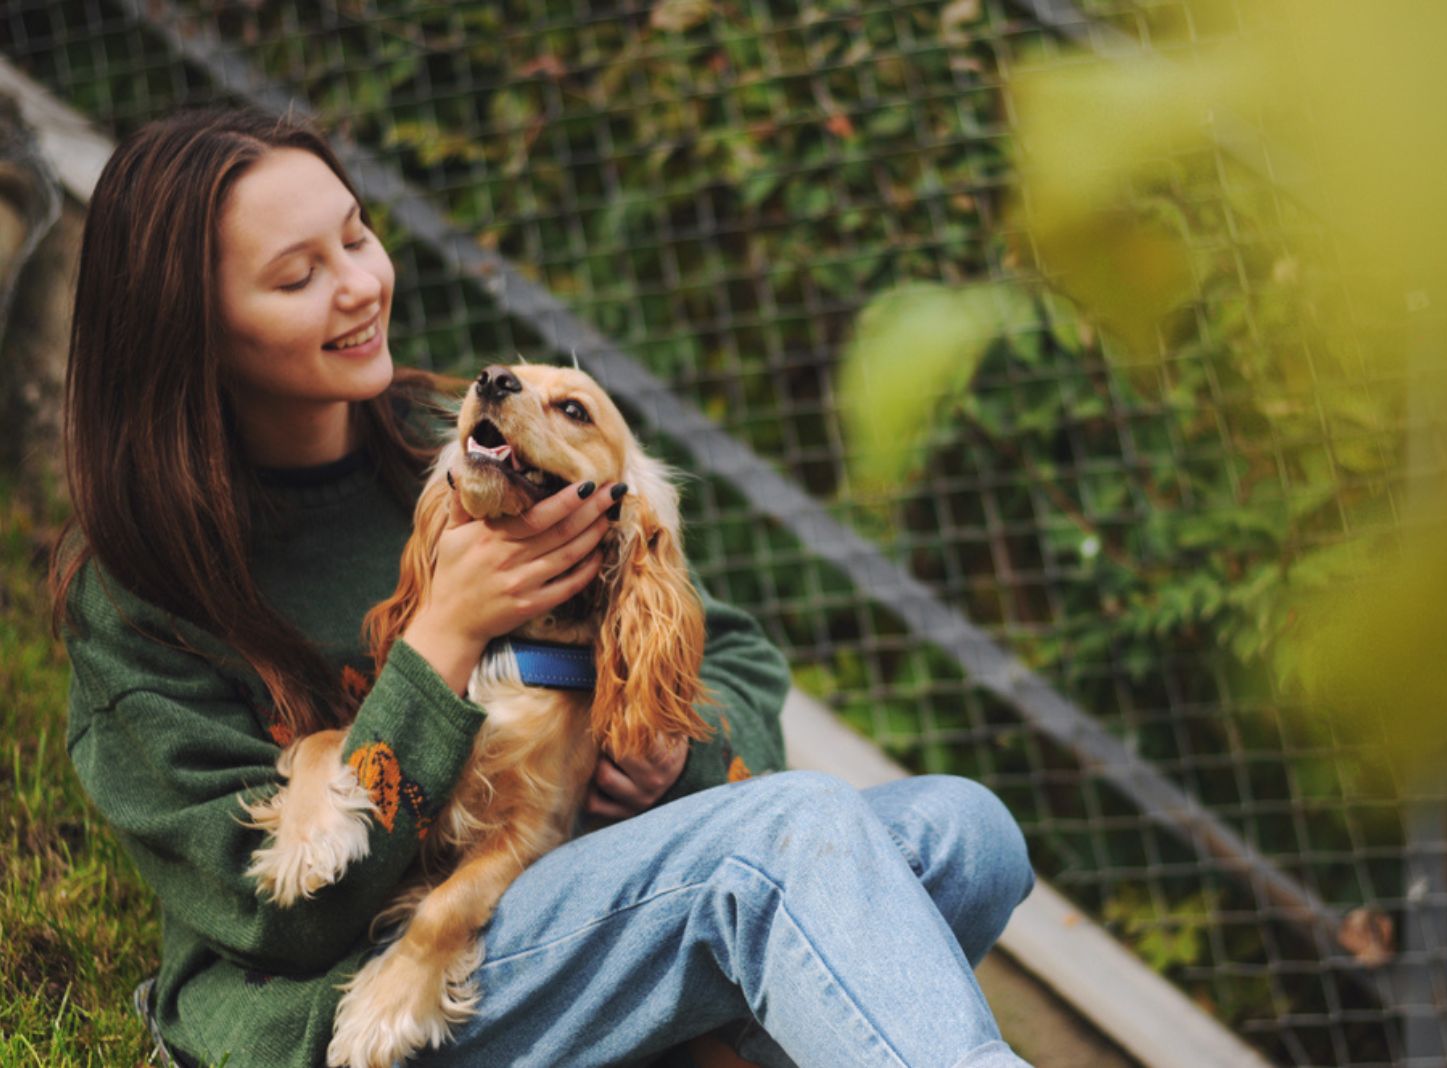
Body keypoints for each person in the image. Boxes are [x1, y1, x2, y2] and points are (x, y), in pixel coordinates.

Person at [52, 105, 1036, 1068]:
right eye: (299, 275)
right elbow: (274, 920)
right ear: (192, 332)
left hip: (559, 917)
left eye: (357, 237)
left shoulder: (476, 434)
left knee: (964, 834)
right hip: (343, 1007)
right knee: (781, 841)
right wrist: (444, 631)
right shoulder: (139, 592)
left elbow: (723, 649)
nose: (357, 286)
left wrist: (669, 758)